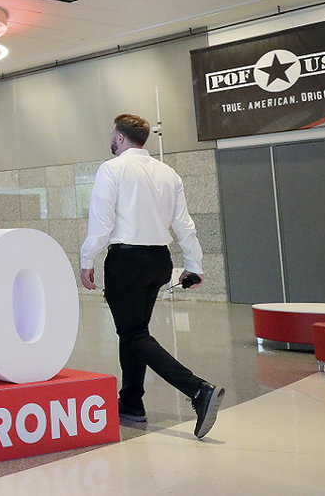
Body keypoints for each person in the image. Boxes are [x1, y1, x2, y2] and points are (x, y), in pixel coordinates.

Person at [80, 113, 224, 439]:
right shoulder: (168, 172)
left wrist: (87, 258)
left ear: (119, 137)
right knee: (135, 332)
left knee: (132, 334)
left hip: (126, 260)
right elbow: (184, 224)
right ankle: (131, 402)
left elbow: (101, 223)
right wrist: (194, 264)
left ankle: (198, 390)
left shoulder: (112, 168)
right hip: (159, 259)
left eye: (112, 134)